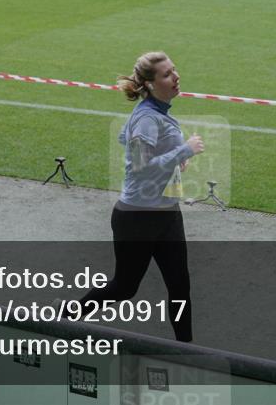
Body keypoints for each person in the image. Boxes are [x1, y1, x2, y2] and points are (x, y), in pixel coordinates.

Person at [77, 51, 204, 342]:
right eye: (167, 74)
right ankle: (65, 319)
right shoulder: (148, 117)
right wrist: (183, 151)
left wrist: (172, 159)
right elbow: (140, 168)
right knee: (124, 287)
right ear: (149, 84)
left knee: (179, 286)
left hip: (167, 215)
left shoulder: (155, 112)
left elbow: (125, 138)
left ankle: (186, 352)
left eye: (174, 70)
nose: (175, 77)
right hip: (137, 218)